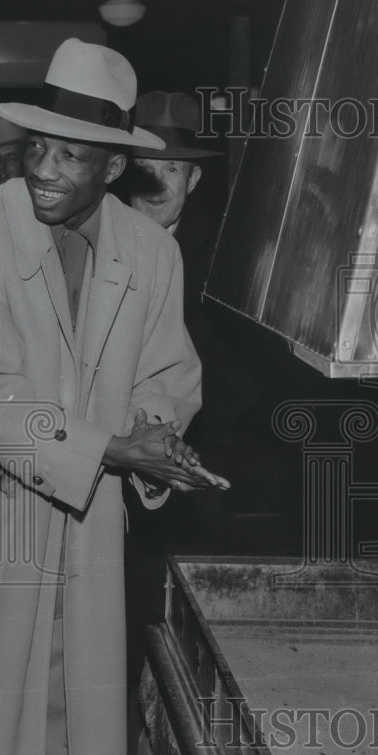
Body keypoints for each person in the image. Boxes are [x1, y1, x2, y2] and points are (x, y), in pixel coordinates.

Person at [0, 38, 228, 755]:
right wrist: (108, 449)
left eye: (72, 156)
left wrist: (157, 434)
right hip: (0, 518)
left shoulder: (150, 251)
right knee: (4, 731)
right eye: (37, 150)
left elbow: (170, 376)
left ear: (112, 166)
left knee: (66, 725)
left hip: (93, 524)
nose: (47, 172)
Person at [123, 92, 261, 549]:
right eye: (145, 167)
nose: (157, 184)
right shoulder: (94, 241)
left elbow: (243, 371)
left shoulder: (228, 256)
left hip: (201, 456)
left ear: (194, 178)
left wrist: (184, 442)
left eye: (172, 169)